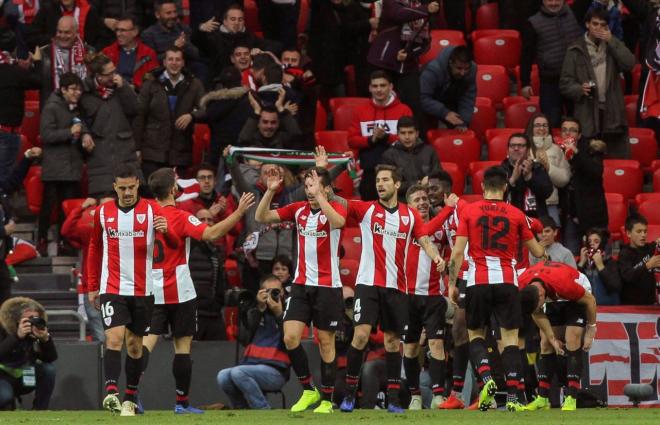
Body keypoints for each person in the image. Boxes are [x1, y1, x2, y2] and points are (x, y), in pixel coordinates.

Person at [141, 168, 254, 414]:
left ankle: (130, 396)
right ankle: (181, 404)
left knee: (145, 345)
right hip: (180, 291)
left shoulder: (143, 213)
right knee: (182, 348)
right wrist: (238, 211)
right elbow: (213, 233)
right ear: (172, 190)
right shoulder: (181, 216)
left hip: (151, 290)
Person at [339, 164, 444, 414]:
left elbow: (424, 239)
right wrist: (325, 185)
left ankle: (395, 399)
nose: (380, 184)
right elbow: (339, 202)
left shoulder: (409, 215)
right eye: (378, 180)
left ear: (397, 185)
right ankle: (351, 395)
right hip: (367, 283)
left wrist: (436, 257)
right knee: (361, 335)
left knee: (393, 341)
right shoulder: (366, 209)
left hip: (396, 287)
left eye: (385, 180)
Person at [448, 166, 547, 412]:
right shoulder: (515, 213)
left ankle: (487, 379)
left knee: (476, 335)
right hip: (507, 281)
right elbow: (537, 252)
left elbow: (458, 253)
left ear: (482, 187)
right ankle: (513, 398)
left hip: (477, 281)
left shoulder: (469, 211)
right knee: (511, 339)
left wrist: (451, 283)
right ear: (505, 187)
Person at [255, 167, 347, 414]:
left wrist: (321, 198)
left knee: (326, 342)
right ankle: (309, 389)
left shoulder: (335, 209)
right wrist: (270, 192)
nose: (309, 191)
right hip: (301, 284)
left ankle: (327, 399)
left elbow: (339, 223)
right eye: (307, 186)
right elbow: (261, 216)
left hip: (328, 286)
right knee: (290, 337)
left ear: (326, 188)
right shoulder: (297, 210)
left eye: (314, 185)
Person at [86, 164, 168, 416]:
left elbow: (171, 243)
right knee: (113, 338)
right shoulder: (102, 212)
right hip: (113, 286)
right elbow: (94, 248)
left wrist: (167, 230)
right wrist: (92, 286)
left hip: (143, 289)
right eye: (122, 188)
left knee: (134, 346)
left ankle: (130, 398)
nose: (127, 192)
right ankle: (111, 393)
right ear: (115, 188)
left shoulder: (153, 209)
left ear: (137, 185)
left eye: (131, 187)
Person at [518, 261, 598, 412]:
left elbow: (590, 300)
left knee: (572, 338)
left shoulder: (565, 285)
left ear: (541, 296)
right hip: (553, 292)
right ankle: (542, 398)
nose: (538, 308)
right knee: (546, 343)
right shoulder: (523, 284)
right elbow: (536, 311)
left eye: (539, 305)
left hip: (575, 291)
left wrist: (591, 330)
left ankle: (572, 397)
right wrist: (552, 338)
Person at [560, 7, 635, 158]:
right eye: (595, 24)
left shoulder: (612, 45)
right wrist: (579, 88)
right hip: (586, 111)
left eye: (603, 25)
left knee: (614, 157)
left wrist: (611, 40)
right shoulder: (575, 49)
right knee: (588, 159)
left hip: (612, 110)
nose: (599, 28)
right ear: (587, 24)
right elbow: (565, 83)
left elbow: (630, 63)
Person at [402, 184, 449, 410]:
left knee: (436, 344)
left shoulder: (442, 230)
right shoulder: (405, 226)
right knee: (410, 349)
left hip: (433, 295)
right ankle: (415, 396)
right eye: (416, 199)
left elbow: (452, 256)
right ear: (408, 205)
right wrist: (448, 209)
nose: (422, 202)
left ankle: (439, 396)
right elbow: (426, 229)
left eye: (424, 198)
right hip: (408, 296)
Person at [216, 274, 290, 409]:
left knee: (238, 372)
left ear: (283, 292)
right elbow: (245, 337)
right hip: (250, 366)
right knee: (223, 376)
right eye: (268, 292)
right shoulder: (255, 312)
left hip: (276, 372)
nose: (273, 295)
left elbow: (290, 339)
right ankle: (242, 410)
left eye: (276, 291)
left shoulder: (289, 312)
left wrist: (279, 313)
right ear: (261, 293)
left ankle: (263, 410)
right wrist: (259, 308)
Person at [37, 72, 91, 255]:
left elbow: (81, 127)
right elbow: (46, 135)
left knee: (66, 209)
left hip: (72, 168)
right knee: (49, 208)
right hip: (54, 168)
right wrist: (69, 132)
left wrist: (84, 134)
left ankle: (65, 241)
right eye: (73, 89)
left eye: (79, 89)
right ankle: (42, 240)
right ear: (63, 89)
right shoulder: (51, 107)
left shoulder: (76, 108)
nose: (77, 93)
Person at [133, 46, 205, 180]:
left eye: (178, 60)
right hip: (152, 153)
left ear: (183, 62)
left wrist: (192, 115)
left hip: (180, 152)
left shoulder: (195, 84)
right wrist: (137, 148)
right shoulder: (151, 83)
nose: (174, 63)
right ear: (164, 62)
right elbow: (139, 116)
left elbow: (206, 109)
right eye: (170, 59)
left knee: (177, 196)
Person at [367, 0, 441, 126]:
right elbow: (398, 14)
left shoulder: (422, 4)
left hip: (408, 65)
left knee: (413, 105)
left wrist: (410, 54)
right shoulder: (391, 2)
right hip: (384, 63)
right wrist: (426, 9)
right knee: (382, 102)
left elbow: (426, 41)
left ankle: (417, 141)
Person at [79, 52, 141, 196]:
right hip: (99, 156)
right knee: (105, 202)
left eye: (114, 71)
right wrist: (84, 133)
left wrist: (125, 88)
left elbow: (136, 109)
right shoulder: (84, 92)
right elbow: (75, 116)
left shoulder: (121, 88)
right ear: (98, 76)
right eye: (109, 73)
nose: (114, 76)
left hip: (125, 152)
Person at [348, 71, 413, 200]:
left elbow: (410, 139)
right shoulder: (360, 111)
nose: (379, 89)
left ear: (391, 86)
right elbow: (351, 140)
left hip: (398, 170)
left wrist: (386, 137)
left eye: (383, 85)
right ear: (370, 88)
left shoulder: (404, 110)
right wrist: (371, 139)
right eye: (375, 86)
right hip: (369, 172)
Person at [520, 0, 583, 127]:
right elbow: (527, 55)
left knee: (576, 124)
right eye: (549, 0)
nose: (553, 3)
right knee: (551, 123)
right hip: (550, 83)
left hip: (576, 80)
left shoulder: (575, 12)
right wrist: (525, 82)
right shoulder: (533, 22)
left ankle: (570, 147)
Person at [61, 195, 115, 342]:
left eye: (110, 207)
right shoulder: (90, 231)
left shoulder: (128, 231)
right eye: (102, 207)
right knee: (102, 337)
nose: (107, 210)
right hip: (93, 289)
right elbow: (66, 230)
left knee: (119, 335)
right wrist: (82, 207)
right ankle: (107, 363)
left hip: (119, 288)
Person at [0, 297, 57, 410]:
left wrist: (45, 340)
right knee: (5, 398)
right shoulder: (2, 330)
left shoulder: (35, 333)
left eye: (36, 318)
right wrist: (17, 336)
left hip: (26, 375)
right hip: (3, 377)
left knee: (49, 369)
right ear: (16, 319)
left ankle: (40, 410)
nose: (32, 322)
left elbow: (50, 358)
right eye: (28, 319)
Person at [560, 117, 608, 250]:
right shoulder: (556, 150)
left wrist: (576, 152)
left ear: (579, 135)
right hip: (570, 213)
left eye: (572, 130)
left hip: (592, 214)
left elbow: (596, 171)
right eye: (564, 130)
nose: (568, 133)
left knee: (597, 256)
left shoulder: (592, 149)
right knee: (570, 254)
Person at [0, 47, 40, 184]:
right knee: (4, 180)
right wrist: (36, 64)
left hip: (6, 132)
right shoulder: (15, 73)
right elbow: (39, 81)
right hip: (7, 133)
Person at [33, 16, 89, 110]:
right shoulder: (43, 54)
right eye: (59, 32)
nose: (62, 36)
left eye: (67, 32)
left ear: (76, 33)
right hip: (51, 110)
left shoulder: (88, 53)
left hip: (82, 109)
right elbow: (37, 82)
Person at [525, 113, 571, 225]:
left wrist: (548, 167)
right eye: (537, 125)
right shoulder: (523, 147)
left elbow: (564, 179)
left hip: (550, 203)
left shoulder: (557, 150)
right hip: (526, 204)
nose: (541, 128)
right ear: (531, 128)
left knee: (551, 240)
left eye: (545, 125)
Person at [200, 65, 251, 167]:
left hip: (217, 154)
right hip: (241, 153)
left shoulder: (212, 104)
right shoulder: (249, 100)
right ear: (240, 81)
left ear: (221, 84)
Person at [382, 116, 442, 201]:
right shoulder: (388, 155)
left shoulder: (429, 151)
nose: (407, 137)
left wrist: (429, 183)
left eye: (410, 132)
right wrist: (418, 184)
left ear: (417, 133)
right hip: (401, 203)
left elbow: (439, 178)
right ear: (397, 134)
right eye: (403, 133)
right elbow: (389, 186)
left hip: (428, 200)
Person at [189, 209, 227, 341]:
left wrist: (218, 303)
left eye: (210, 219)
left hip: (213, 314)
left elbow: (221, 283)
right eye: (202, 219)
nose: (206, 223)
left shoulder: (216, 250)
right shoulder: (187, 246)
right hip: (193, 315)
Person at [420, 45, 477, 131]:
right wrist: (444, 113)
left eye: (466, 69)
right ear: (451, 63)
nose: (463, 73)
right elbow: (422, 98)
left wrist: (463, 122)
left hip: (450, 100)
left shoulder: (472, 71)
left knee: (461, 127)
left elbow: (468, 98)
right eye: (459, 68)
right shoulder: (432, 70)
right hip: (428, 102)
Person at [501, 133, 553, 218]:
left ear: (528, 150)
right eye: (512, 145)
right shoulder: (499, 170)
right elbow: (493, 196)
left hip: (535, 221)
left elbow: (547, 192)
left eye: (521, 146)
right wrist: (512, 180)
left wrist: (530, 177)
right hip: (508, 220)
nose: (516, 148)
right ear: (507, 150)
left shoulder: (538, 168)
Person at [101, 15, 159, 91]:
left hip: (139, 96)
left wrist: (135, 87)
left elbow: (153, 83)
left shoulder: (149, 54)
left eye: (123, 30)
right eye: (117, 30)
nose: (118, 34)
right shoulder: (107, 52)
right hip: (112, 95)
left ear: (135, 32)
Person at [617, 215, 660, 305]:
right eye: (639, 231)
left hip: (650, 304)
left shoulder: (651, 248)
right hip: (630, 307)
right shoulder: (624, 254)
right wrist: (647, 265)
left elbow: (657, 244)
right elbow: (628, 276)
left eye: (645, 231)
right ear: (628, 233)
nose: (643, 235)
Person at [577, 227, 621, 305]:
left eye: (596, 241)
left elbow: (615, 287)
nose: (592, 244)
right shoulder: (583, 263)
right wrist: (580, 264)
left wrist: (601, 267)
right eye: (589, 241)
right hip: (589, 309)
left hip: (610, 310)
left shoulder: (611, 262)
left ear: (603, 244)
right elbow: (574, 287)